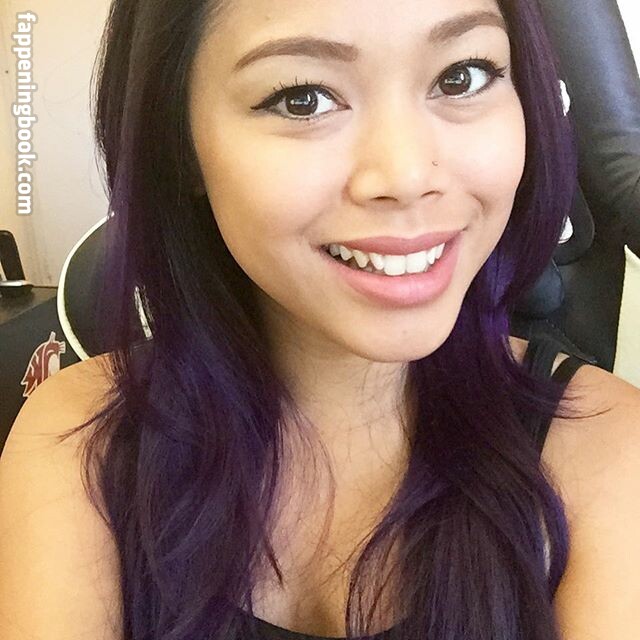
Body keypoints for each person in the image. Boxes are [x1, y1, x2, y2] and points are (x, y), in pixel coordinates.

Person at [1, 0, 640, 639]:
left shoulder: (606, 452)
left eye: (461, 77)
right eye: (302, 98)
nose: (406, 176)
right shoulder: (82, 441)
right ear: (181, 146)